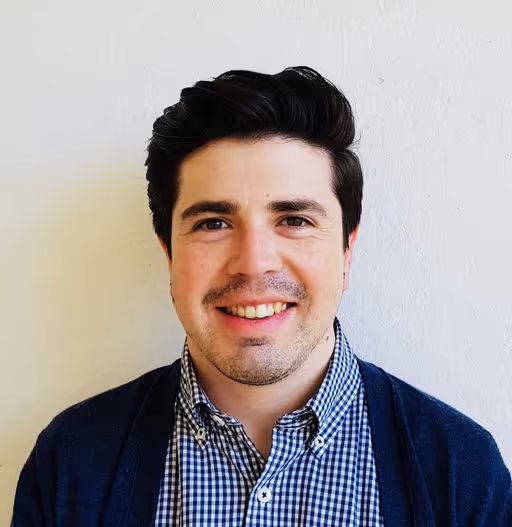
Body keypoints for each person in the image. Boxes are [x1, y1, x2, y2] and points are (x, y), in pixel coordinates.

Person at [12, 66, 511, 526]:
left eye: (294, 220)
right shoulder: (69, 463)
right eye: (213, 223)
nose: (253, 262)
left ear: (346, 252)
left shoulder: (460, 472)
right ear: (169, 254)